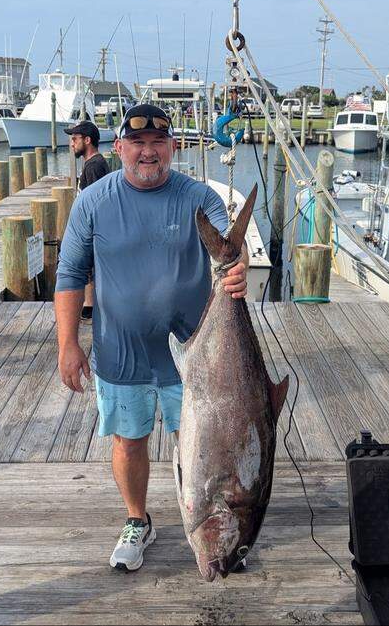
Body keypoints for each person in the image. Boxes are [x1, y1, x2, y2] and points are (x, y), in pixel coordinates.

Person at [54, 104, 249, 572]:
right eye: (137, 144)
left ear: (172, 147)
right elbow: (69, 274)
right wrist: (67, 344)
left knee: (205, 444)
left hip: (196, 355)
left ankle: (207, 524)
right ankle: (138, 520)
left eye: (158, 143)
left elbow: (228, 249)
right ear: (119, 148)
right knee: (127, 440)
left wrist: (236, 270)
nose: (148, 152)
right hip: (121, 351)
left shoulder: (201, 198)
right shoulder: (93, 201)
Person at [64, 121, 110, 322]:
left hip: (92, 230)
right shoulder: (94, 164)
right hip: (90, 230)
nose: (72, 144)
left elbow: (95, 203)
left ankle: (89, 307)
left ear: (87, 140)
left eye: (75, 139)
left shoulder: (94, 167)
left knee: (86, 267)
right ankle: (88, 306)